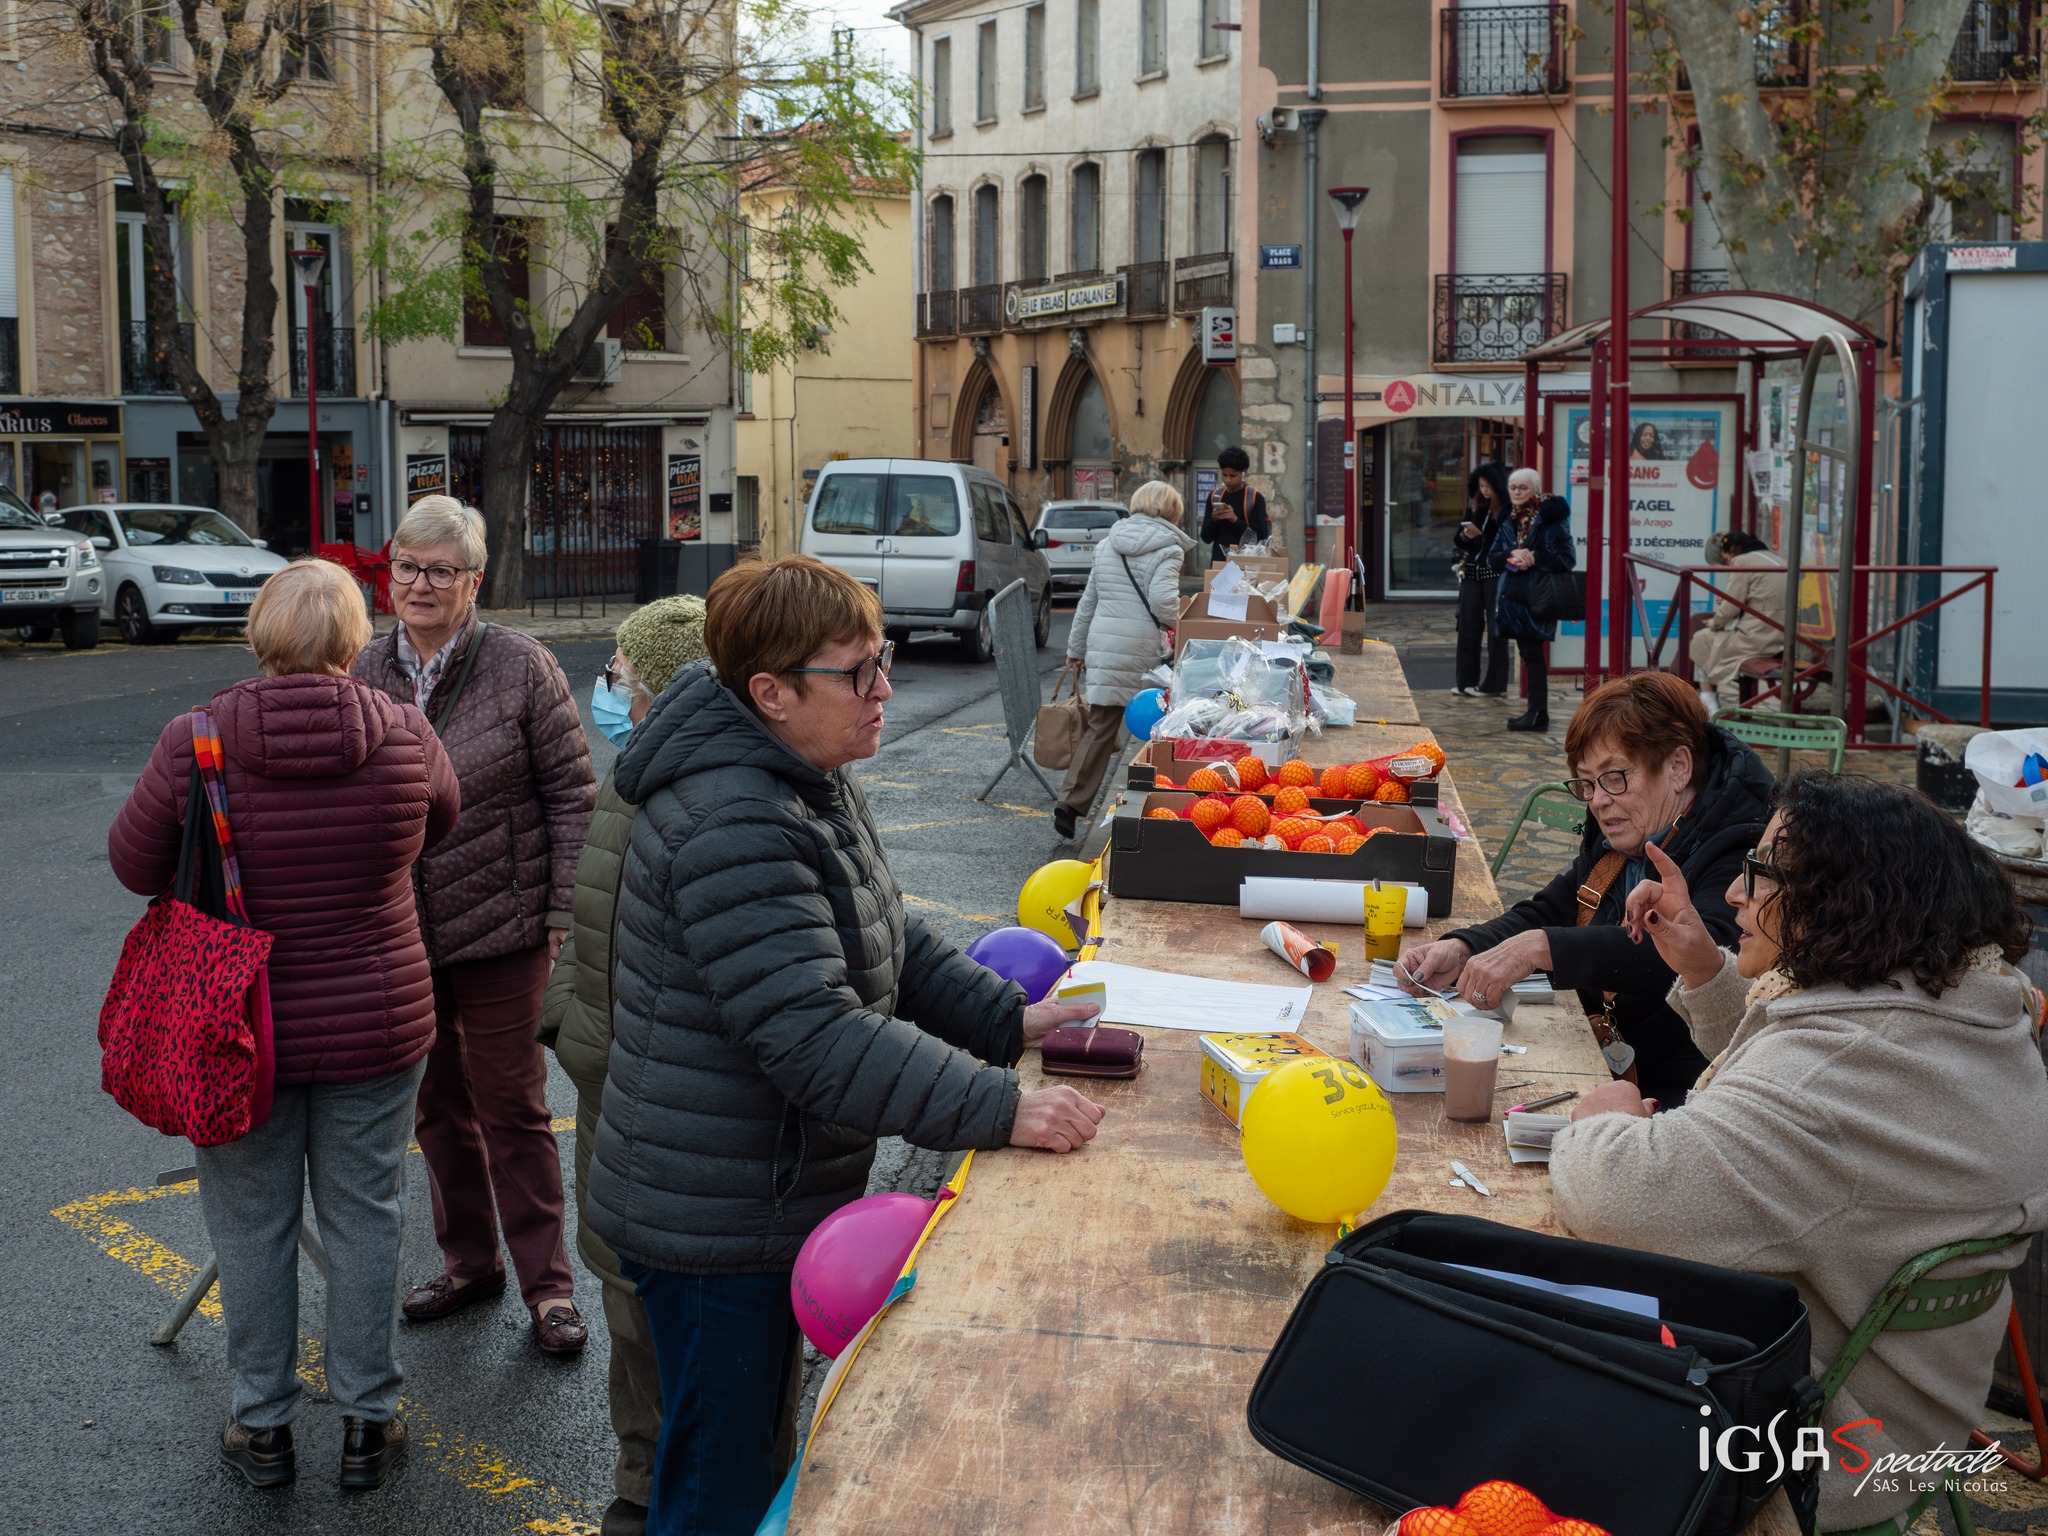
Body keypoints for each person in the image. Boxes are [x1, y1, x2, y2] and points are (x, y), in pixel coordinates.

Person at [587, 555, 1106, 1536]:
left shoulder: (801, 773)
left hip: (756, 1191)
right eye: (858, 673)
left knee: (745, 1458)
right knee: (719, 1488)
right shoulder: (732, 816)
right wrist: (1001, 1106)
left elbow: (881, 930)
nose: (884, 690)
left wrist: (1007, 1020)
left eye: (884, 661)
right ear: (771, 693)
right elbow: (814, 1035)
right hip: (715, 1217)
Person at [1552, 772, 2048, 1533]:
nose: (1733, 894)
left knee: (1517, 1341)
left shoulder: (1838, 1075)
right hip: (1920, 1408)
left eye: (1760, 872)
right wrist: (1705, 969)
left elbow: (1614, 1196)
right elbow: (1803, 1088)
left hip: (1819, 1447)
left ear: (1842, 899)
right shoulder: (1958, 1005)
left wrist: (1600, 1119)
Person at [107, 560, 460, 1491]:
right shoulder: (405, 731)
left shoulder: (195, 740)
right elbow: (442, 822)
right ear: (353, 638)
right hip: (376, 1018)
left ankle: (262, 1427)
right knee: (367, 1215)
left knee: (251, 1224)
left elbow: (134, 865)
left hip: (233, 1027)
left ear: (260, 635)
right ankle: (368, 1421)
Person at [351, 495, 597, 1354]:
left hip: (505, 926)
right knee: (436, 1108)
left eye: (440, 570)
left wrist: (563, 909)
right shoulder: (363, 666)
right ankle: (469, 1264)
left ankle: (549, 1289)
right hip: (401, 933)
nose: (419, 585)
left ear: (474, 581)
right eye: (406, 568)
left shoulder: (522, 665)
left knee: (513, 1106)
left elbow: (572, 795)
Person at [1398, 670, 1773, 1108]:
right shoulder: (1633, 828)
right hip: (1603, 1063)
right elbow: (1558, 906)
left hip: (1687, 1092)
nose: (1597, 800)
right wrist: (1465, 946)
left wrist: (1543, 948)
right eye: (1587, 783)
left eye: (1614, 777)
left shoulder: (1743, 847)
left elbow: (1704, 956)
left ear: (1678, 768)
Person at [540, 594, 707, 1536]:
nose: (609, 684)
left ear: (662, 685)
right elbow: (590, 914)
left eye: (620, 670)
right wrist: (565, 1021)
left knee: (671, 1328)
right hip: (611, 1087)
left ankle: (675, 1495)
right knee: (626, 1310)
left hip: (656, 1109)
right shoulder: (632, 772)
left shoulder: (684, 794)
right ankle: (639, 1483)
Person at [1054, 479, 1194, 841]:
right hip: (1141, 647)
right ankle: (1151, 808)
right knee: (1157, 728)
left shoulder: (1107, 544)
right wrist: (1185, 623)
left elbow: (1088, 601)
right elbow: (1163, 602)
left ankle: (1070, 802)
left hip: (1103, 643)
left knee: (1101, 726)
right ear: (1172, 510)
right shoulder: (1168, 548)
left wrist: (1076, 649)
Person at [1488, 473, 1575, 733]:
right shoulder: (1509, 517)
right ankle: (1535, 712)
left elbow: (1567, 559)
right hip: (1512, 599)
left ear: (1535, 490)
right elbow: (1492, 559)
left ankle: (1538, 714)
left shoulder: (1551, 518)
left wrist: (1535, 558)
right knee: (1527, 654)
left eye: (1522, 487)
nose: (1516, 492)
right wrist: (1512, 553)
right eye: (1512, 487)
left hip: (1537, 598)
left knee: (1534, 656)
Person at [1692, 529, 1785, 716]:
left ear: (1732, 550)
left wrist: (1714, 623)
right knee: (1710, 640)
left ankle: (1709, 703)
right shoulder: (1778, 559)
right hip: (1781, 638)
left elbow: (1730, 607)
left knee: (1700, 639)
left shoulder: (1742, 561)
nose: (1728, 564)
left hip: (1757, 639)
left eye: (1726, 560)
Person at [1452, 463, 1513, 699]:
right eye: (1481, 486)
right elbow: (1459, 541)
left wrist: (1483, 535)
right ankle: (1465, 681)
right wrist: (1466, 535)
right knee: (1467, 627)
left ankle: (1494, 684)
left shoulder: (1506, 511)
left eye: (1488, 486)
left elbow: (1505, 542)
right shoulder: (1476, 506)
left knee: (1496, 631)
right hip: (1472, 573)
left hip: (1494, 574)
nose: (1485, 491)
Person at [1198, 445, 1271, 561]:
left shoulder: (1255, 498)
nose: (1228, 480)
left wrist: (1235, 520)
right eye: (1224, 475)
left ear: (1243, 472)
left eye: (1233, 476)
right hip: (1219, 564)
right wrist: (1213, 520)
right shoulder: (1215, 496)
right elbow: (1206, 538)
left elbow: (1260, 538)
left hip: (1246, 564)